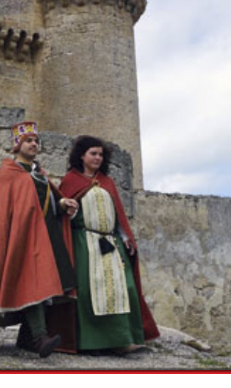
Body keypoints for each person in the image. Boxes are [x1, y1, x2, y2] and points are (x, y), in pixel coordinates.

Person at [0, 121, 79, 358]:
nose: (34, 144)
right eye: (28, 141)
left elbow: (47, 200)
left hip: (45, 235)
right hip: (22, 237)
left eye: (36, 141)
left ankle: (26, 338)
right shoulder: (8, 174)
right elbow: (6, 212)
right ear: (17, 145)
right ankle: (39, 337)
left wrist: (62, 203)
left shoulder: (39, 174)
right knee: (34, 282)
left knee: (44, 283)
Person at [56, 136, 160, 353]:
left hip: (111, 244)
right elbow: (62, 217)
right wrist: (68, 209)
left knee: (123, 289)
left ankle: (122, 340)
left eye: (101, 154)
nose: (98, 158)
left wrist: (125, 238)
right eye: (93, 154)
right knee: (89, 292)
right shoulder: (70, 181)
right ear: (82, 156)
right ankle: (91, 343)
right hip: (84, 244)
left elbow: (118, 214)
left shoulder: (107, 182)